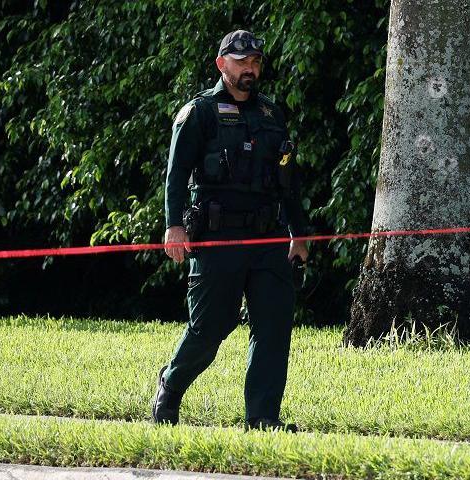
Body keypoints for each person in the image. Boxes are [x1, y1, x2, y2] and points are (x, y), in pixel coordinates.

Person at [152, 30, 309, 432]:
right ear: (222, 65)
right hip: (217, 237)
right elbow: (175, 174)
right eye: (242, 63)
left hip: (268, 237)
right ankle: (170, 386)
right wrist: (173, 226)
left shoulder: (273, 116)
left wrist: (299, 233)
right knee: (211, 328)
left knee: (273, 327)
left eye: (255, 62)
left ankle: (262, 418)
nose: (250, 69)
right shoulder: (199, 112)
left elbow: (287, 180)